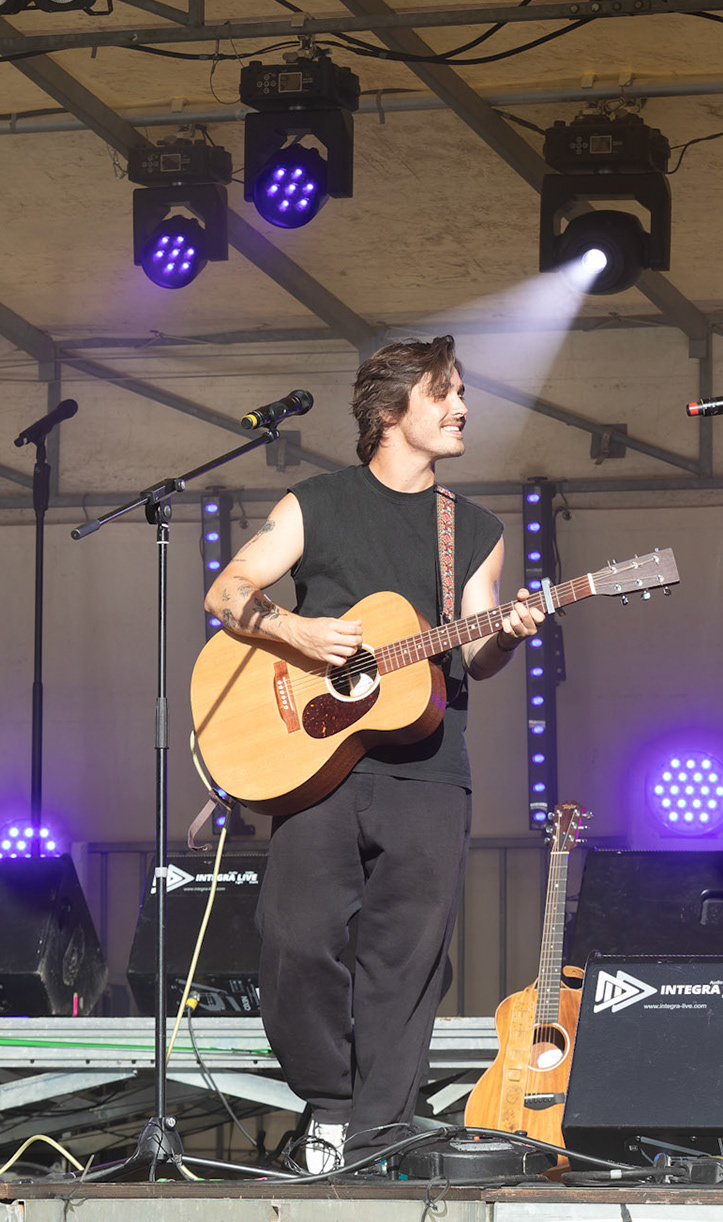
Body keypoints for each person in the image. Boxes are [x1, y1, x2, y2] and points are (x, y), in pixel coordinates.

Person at [203, 336, 544, 1171]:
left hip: (430, 768)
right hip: (313, 759)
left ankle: (379, 1134)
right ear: (391, 413)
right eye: (444, 393)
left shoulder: (475, 528)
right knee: (294, 937)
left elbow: (476, 654)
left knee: (407, 960)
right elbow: (229, 592)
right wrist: (297, 630)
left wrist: (508, 635)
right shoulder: (315, 504)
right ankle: (331, 1102)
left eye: (462, 391)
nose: (462, 406)